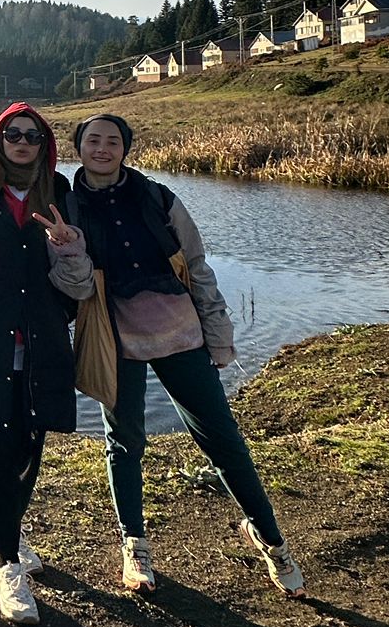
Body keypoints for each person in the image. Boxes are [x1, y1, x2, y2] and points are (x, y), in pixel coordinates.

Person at [71, 114, 304, 599]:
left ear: (125, 149)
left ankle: (270, 538)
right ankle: (133, 544)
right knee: (123, 443)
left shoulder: (160, 199)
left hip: (183, 336)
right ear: (79, 147)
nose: (102, 149)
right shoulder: (67, 208)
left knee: (224, 440)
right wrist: (68, 250)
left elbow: (198, 269)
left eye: (112, 141)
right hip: (117, 343)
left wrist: (219, 339)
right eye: (93, 140)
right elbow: (71, 288)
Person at [0, 104, 93, 626]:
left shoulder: (59, 190)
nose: (21, 142)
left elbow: (79, 260)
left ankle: (9, 530)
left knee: (31, 441)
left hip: (42, 338)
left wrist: (66, 294)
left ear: (44, 142)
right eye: (12, 134)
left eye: (31, 134)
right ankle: (6, 564)